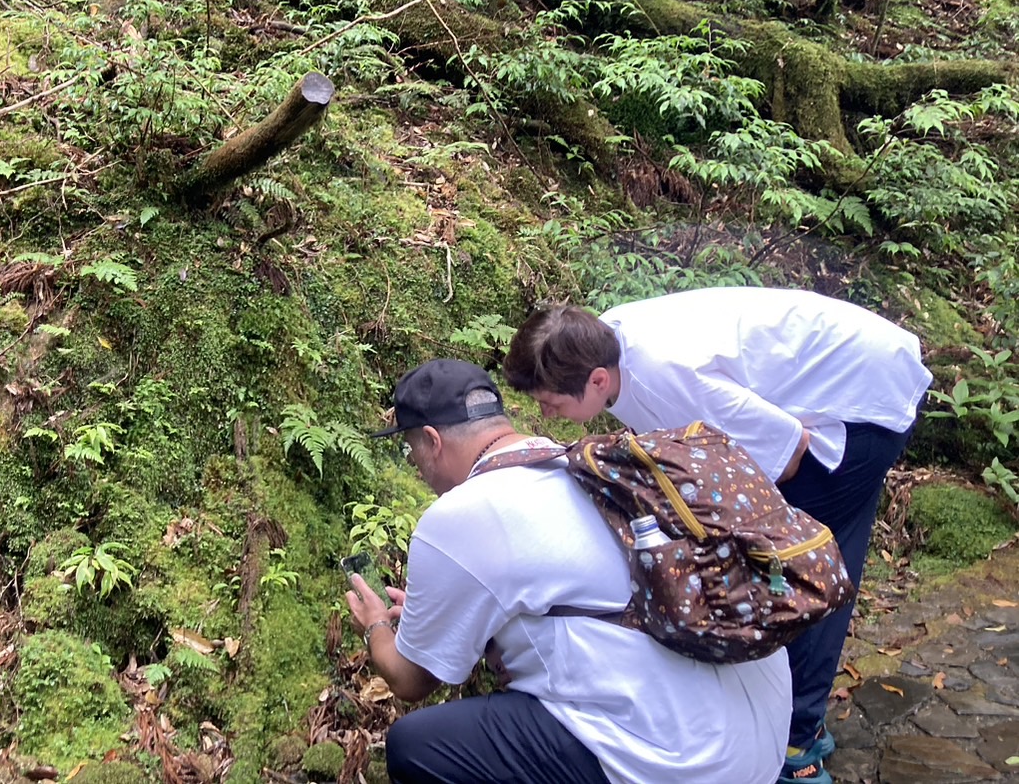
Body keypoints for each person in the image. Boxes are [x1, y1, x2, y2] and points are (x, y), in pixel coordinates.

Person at [502, 287, 932, 784]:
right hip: (850, 366)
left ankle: (796, 739)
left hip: (862, 400)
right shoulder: (602, 344)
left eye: (551, 403)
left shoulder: (664, 376)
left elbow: (788, 452)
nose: (547, 415)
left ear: (597, 380)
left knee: (796, 570)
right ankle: (793, 715)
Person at [346, 357, 792, 784]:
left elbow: (410, 680)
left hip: (685, 763)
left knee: (415, 746)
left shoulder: (460, 514)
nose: (419, 470)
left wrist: (377, 627)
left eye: (413, 453)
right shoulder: (585, 465)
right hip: (764, 732)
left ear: (433, 440)